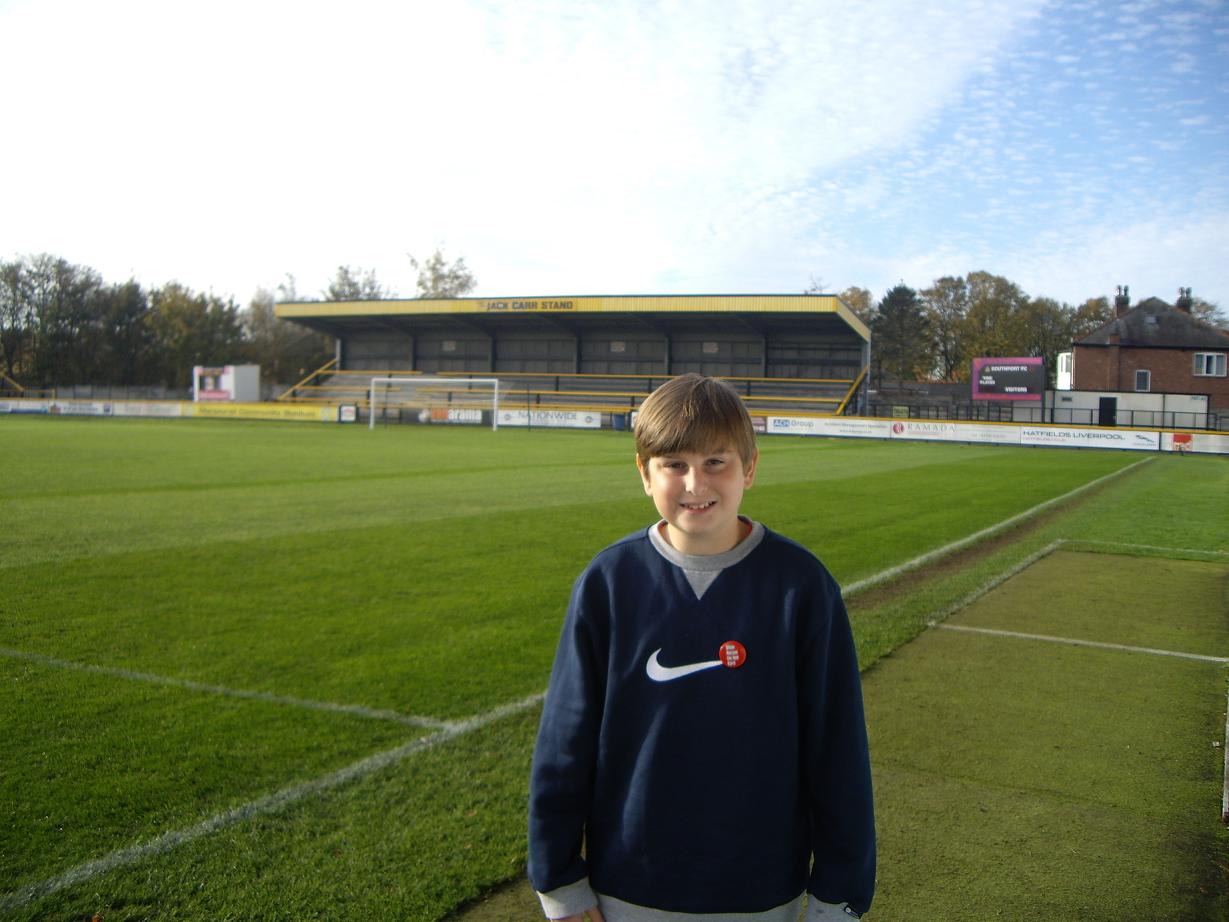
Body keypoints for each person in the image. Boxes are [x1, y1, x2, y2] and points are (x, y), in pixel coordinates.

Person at [527, 374, 875, 922]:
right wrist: (559, 880)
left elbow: (837, 749)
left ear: (749, 468)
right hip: (628, 885)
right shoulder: (609, 582)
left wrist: (839, 894)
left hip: (760, 889)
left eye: (716, 462)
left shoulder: (801, 586)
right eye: (674, 464)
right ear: (644, 473)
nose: (696, 483)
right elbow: (564, 743)